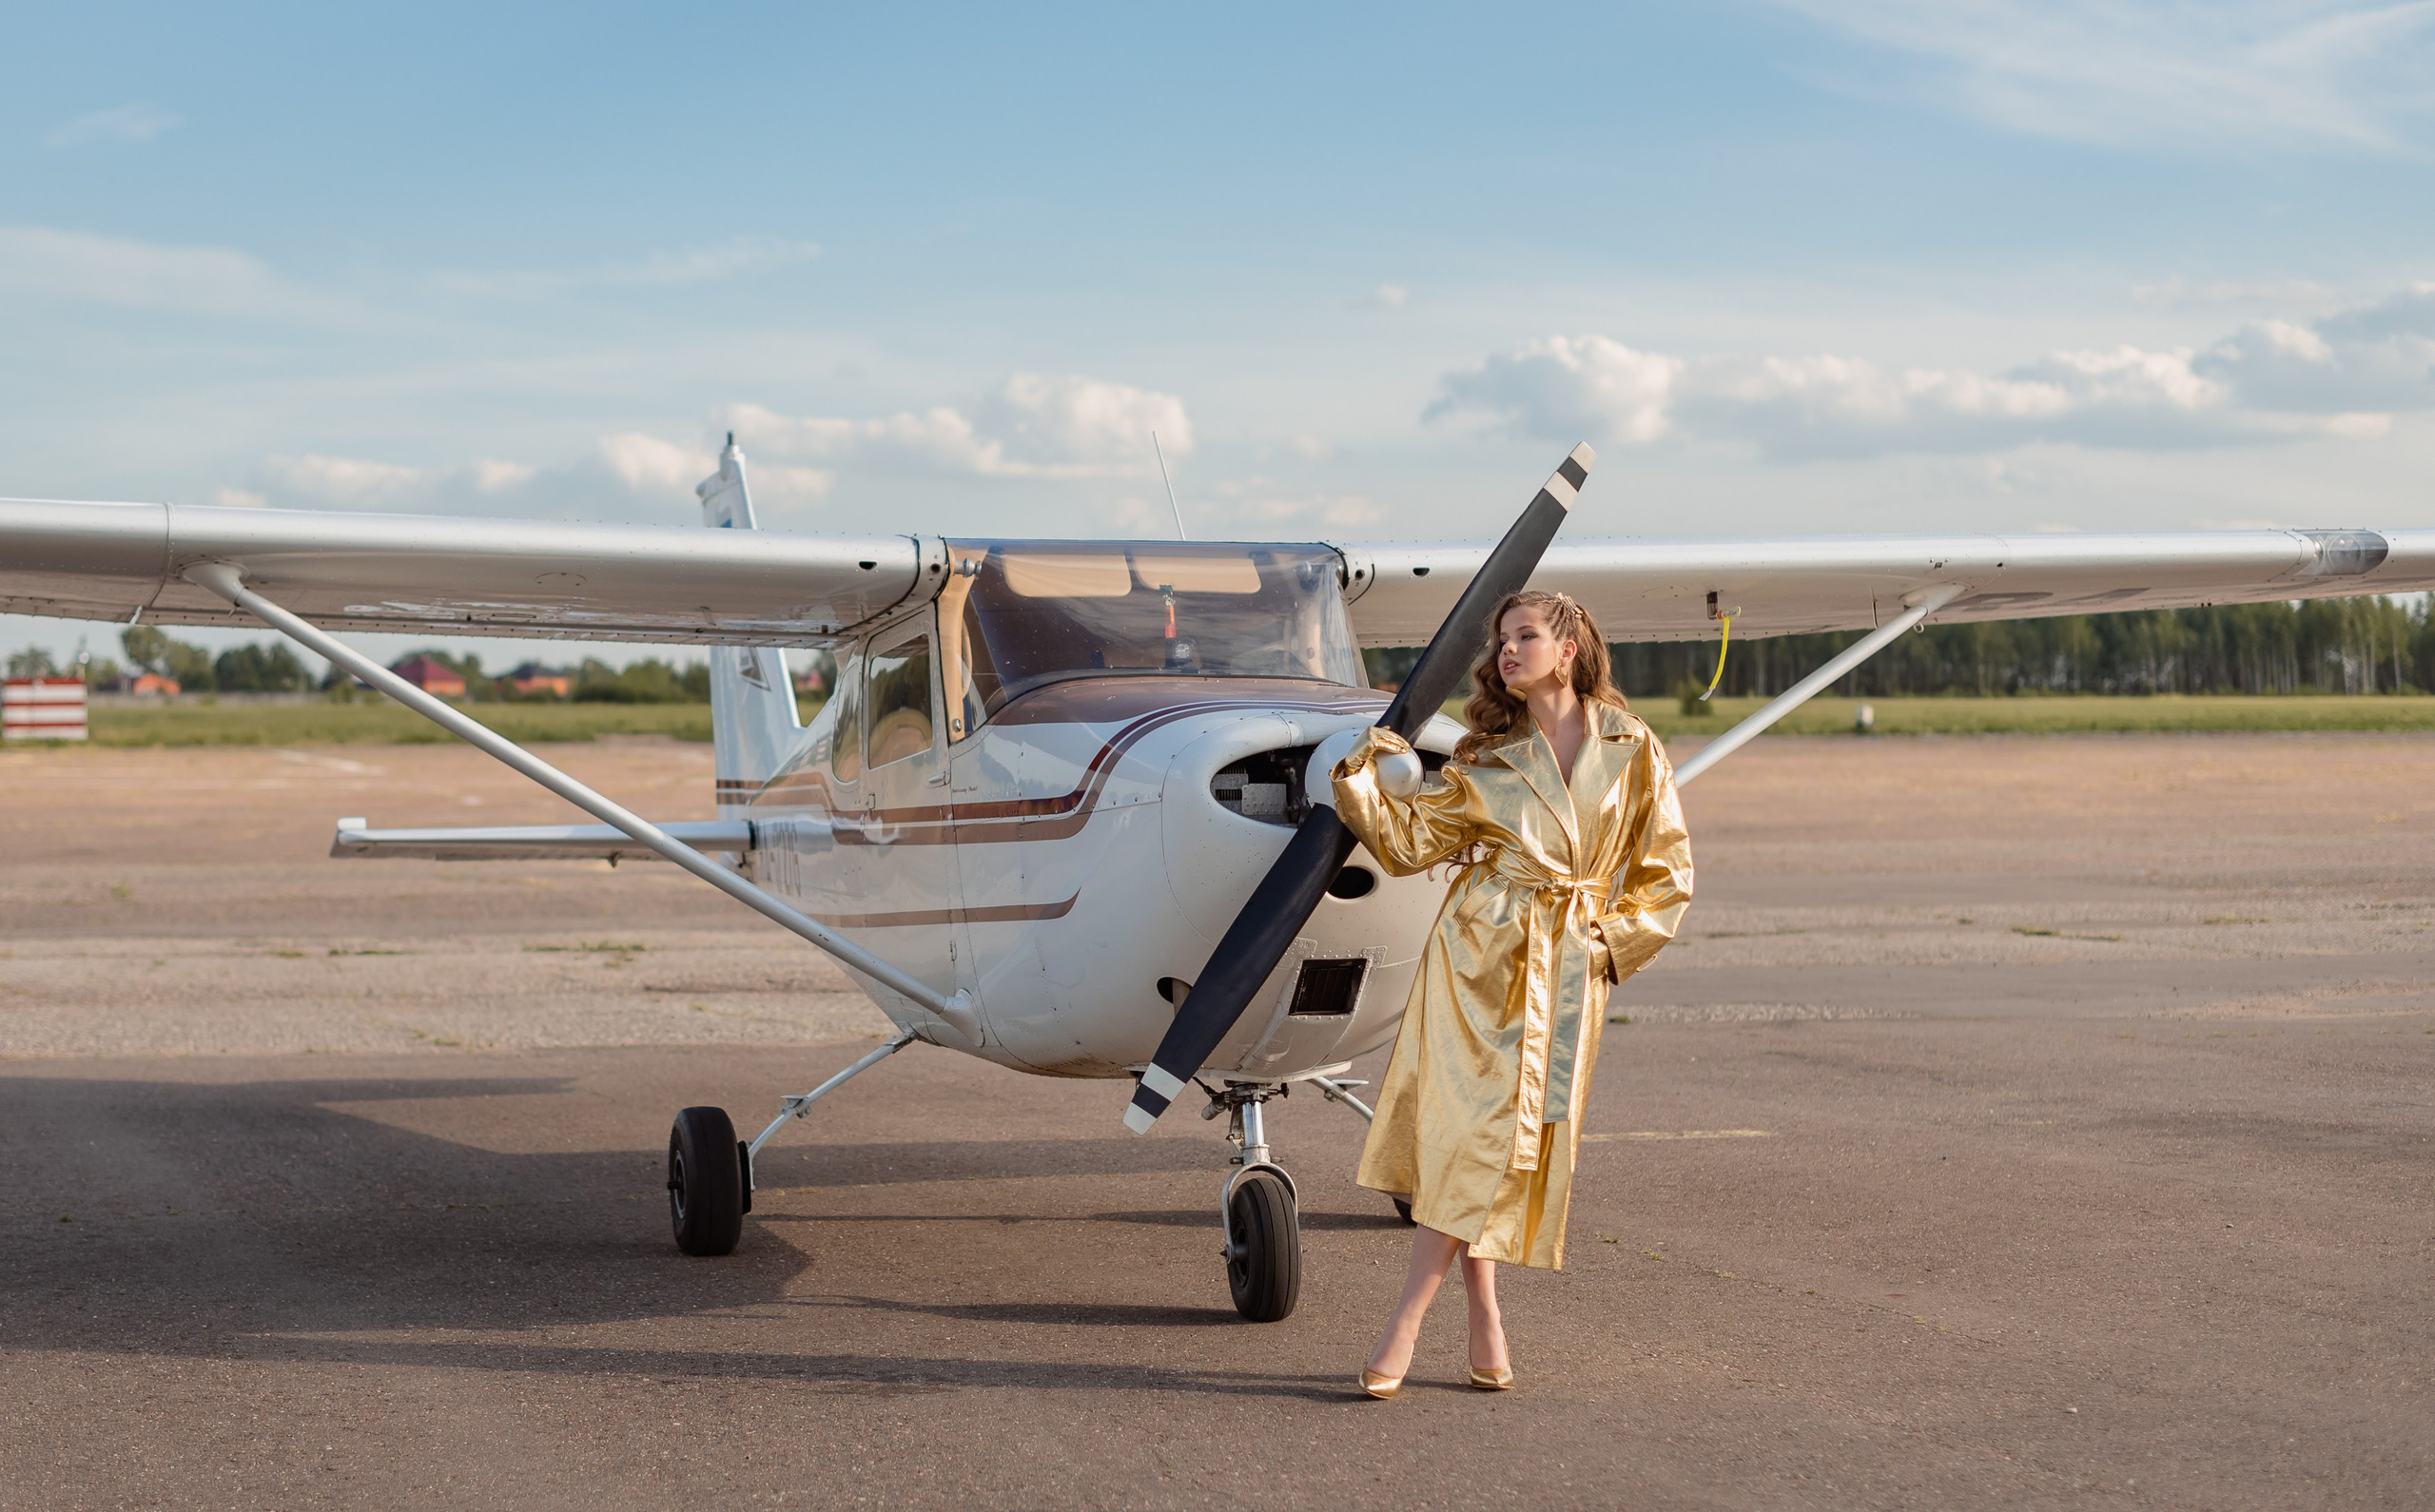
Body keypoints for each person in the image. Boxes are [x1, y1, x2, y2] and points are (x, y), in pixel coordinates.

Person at [1331, 590, 1694, 1398]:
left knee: (1506, 1147)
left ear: (1568, 648)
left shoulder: (1633, 748)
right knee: (1473, 1141)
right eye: (1500, 638)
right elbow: (1407, 842)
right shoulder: (1485, 756)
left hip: (1569, 965)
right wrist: (1359, 771)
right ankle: (1412, 1320)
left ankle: (1482, 1311)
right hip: (1475, 962)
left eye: (1526, 635)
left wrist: (1606, 945)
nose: (1507, 649)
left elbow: (1666, 875)